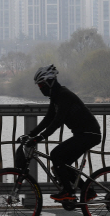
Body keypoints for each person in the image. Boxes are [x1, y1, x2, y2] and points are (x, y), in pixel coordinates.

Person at [23, 64, 101, 202]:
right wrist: (31, 134)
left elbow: (57, 122)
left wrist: (40, 137)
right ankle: (88, 192)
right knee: (63, 165)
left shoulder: (64, 96)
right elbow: (48, 119)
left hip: (89, 134)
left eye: (42, 85)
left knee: (55, 154)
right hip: (82, 134)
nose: (41, 89)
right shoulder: (56, 97)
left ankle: (69, 193)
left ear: (50, 82)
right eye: (39, 86)